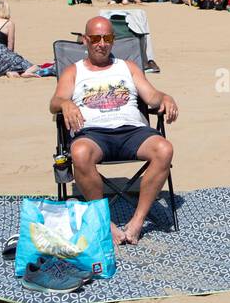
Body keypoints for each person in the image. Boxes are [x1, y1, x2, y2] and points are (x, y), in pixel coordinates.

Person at [50, 16, 178, 245]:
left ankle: (137, 221)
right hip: (93, 134)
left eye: (107, 38)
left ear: (113, 40)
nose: (102, 43)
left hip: (132, 131)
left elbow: (151, 96)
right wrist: (65, 103)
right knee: (79, 153)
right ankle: (104, 222)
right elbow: (55, 101)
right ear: (86, 40)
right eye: (96, 38)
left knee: (164, 149)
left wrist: (165, 97)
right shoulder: (74, 71)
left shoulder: (127, 67)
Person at [0, 0, 38, 78]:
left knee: (4, 65)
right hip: (1, 54)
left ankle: (8, 71)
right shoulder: (8, 23)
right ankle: (22, 73)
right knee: (35, 67)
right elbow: (10, 47)